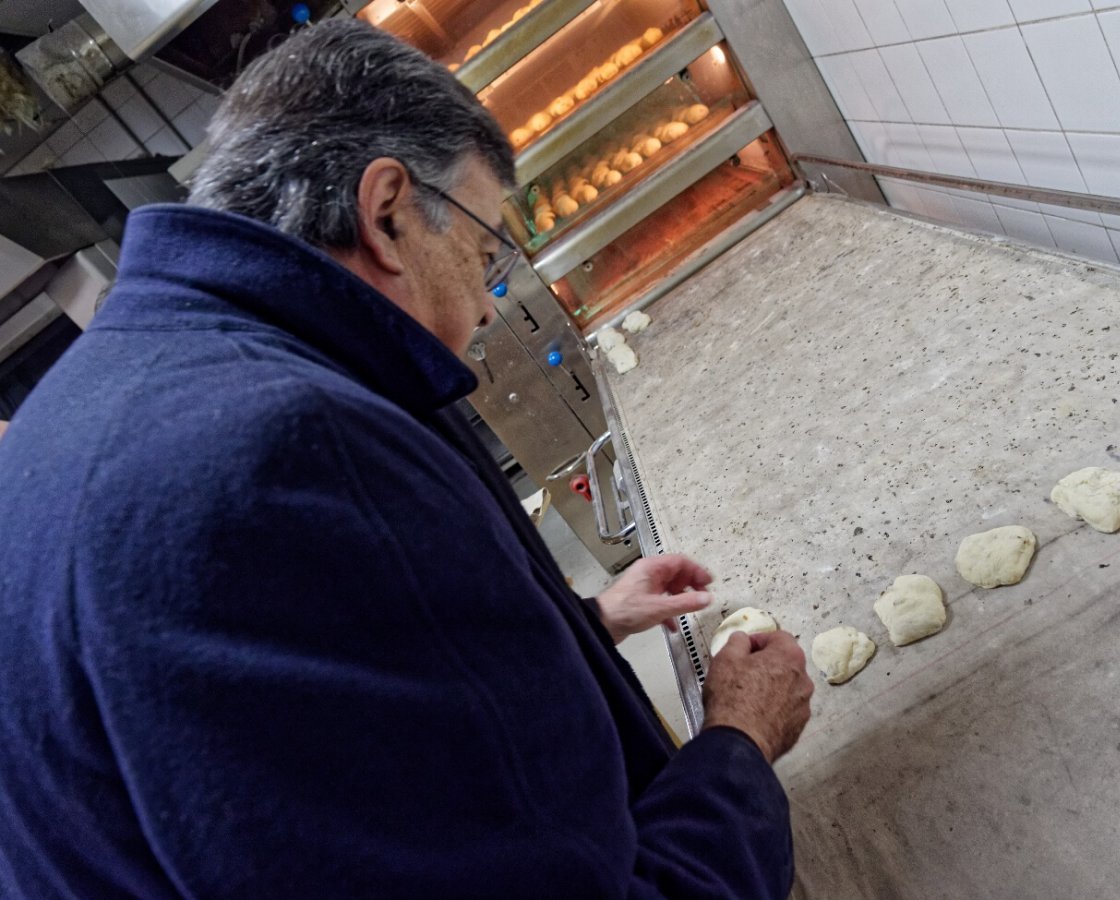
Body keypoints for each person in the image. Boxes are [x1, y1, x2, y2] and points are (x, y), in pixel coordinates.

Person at [0, 19, 813, 898]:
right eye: (480, 251)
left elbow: (343, 717)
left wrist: (581, 625)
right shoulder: (287, 450)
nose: (485, 305)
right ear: (386, 214)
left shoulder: (97, 405)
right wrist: (740, 745)